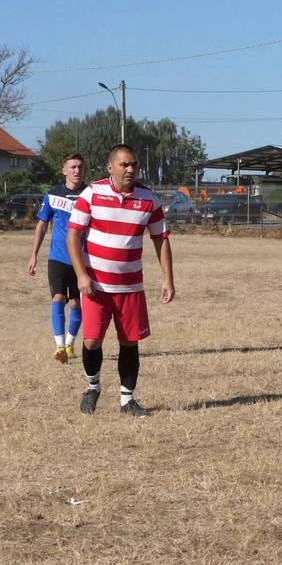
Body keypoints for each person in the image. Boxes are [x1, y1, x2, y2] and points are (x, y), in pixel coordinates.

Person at [66, 145, 175, 418]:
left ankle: (128, 401)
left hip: (130, 288)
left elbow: (161, 239)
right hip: (96, 287)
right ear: (110, 167)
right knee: (92, 341)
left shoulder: (149, 199)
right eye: (124, 164)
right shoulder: (92, 194)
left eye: (133, 165)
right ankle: (93, 388)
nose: (130, 169)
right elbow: (73, 237)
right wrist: (81, 275)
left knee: (129, 342)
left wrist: (167, 278)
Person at [27, 153, 87, 362]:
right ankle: (60, 346)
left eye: (80, 167)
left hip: (82, 259)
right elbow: (42, 225)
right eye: (72, 167)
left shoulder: (91, 195)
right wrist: (34, 255)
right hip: (58, 258)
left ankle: (70, 344)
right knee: (58, 299)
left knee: (77, 304)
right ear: (64, 171)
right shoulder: (52, 196)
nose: (77, 170)